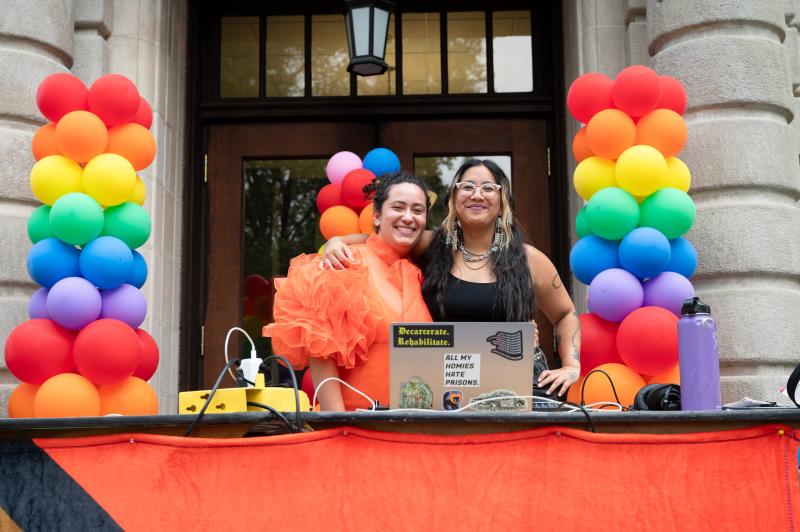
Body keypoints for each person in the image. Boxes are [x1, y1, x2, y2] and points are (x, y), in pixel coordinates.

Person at [322, 159, 581, 398]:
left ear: (502, 201)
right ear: (454, 198)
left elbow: (565, 314)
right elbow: (381, 241)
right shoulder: (431, 246)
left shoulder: (529, 259)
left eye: (489, 188)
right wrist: (339, 240)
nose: (477, 194)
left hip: (520, 388)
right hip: (449, 389)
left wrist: (570, 365)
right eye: (467, 186)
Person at [264, 172, 432, 411]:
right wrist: (339, 424)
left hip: (414, 426)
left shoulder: (423, 273)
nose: (408, 217)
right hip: (355, 426)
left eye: (417, 210)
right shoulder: (345, 263)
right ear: (376, 216)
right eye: (398, 207)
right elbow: (322, 355)